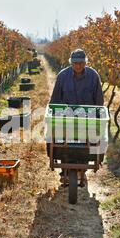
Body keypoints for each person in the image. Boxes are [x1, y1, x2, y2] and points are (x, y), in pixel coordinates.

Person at [49, 49, 104, 187]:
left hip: (88, 118)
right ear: (71, 63)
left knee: (87, 145)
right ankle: (64, 171)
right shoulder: (62, 76)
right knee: (61, 143)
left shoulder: (93, 76)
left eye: (81, 63)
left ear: (85, 62)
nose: (78, 66)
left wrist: (98, 119)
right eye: (75, 63)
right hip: (66, 117)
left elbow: (99, 100)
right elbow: (55, 99)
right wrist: (55, 116)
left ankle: (83, 171)